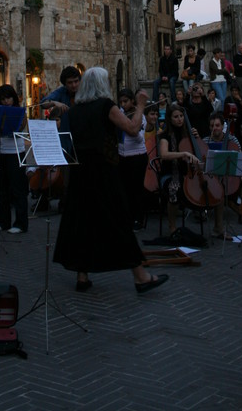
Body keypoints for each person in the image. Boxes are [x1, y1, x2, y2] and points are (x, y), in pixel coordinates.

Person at [53, 67, 168, 294]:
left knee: (82, 223)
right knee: (119, 221)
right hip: (103, 172)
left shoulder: (74, 112)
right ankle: (141, 277)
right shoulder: (106, 106)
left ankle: (82, 275)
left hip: (80, 175)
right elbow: (134, 129)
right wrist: (141, 105)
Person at [158, 103, 203, 235]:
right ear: (170, 119)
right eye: (176, 117)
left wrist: (197, 138)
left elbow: (200, 152)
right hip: (169, 174)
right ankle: (172, 226)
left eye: (181, 116)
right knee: (174, 189)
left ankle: (217, 227)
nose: (179, 119)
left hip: (187, 173)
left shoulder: (188, 134)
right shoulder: (165, 136)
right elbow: (164, 155)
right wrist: (183, 154)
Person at [0, 84, 28, 234]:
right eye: (3, 99)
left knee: (17, 189)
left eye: (9, 98)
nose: (6, 102)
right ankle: (2, 221)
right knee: (1, 189)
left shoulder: (20, 112)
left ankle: (20, 223)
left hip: (15, 152)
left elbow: (20, 128)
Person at [117, 88, 148, 229]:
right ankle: (127, 216)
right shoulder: (120, 114)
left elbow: (139, 137)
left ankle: (138, 218)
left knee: (136, 188)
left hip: (137, 155)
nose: (123, 105)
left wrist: (129, 125)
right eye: (121, 102)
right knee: (125, 188)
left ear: (132, 101)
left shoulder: (139, 115)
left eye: (126, 101)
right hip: (122, 155)